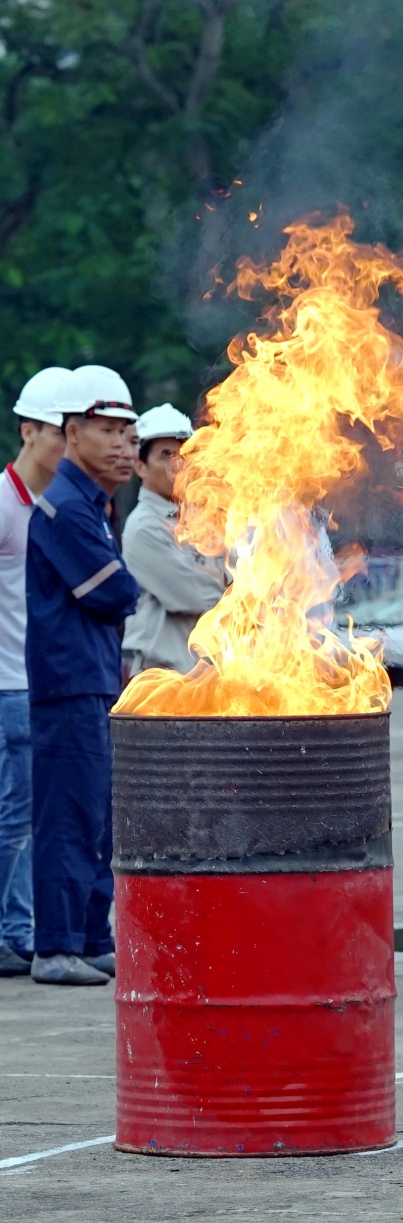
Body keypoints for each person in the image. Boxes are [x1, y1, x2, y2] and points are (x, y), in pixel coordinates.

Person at [27, 366, 141, 986]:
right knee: (68, 818)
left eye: (129, 432)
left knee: (100, 816)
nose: (125, 445)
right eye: (109, 431)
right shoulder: (65, 507)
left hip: (95, 678)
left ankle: (94, 936)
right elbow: (114, 592)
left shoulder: (92, 506)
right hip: (68, 683)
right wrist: (128, 585)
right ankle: (57, 947)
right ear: (73, 433)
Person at [0, 369, 70, 977]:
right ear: (28, 431)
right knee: (18, 818)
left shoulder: (60, 507)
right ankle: (11, 931)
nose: (70, 445)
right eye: (60, 432)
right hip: (10, 686)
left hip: (45, 684)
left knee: (40, 816)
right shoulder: (3, 503)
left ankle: (22, 927)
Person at [122, 405, 226, 675]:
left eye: (183, 454)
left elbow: (245, 583)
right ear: (140, 466)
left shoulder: (204, 518)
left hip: (207, 677)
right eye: (165, 454)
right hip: (162, 679)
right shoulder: (143, 527)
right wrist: (222, 578)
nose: (177, 464)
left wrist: (217, 578)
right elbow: (196, 596)